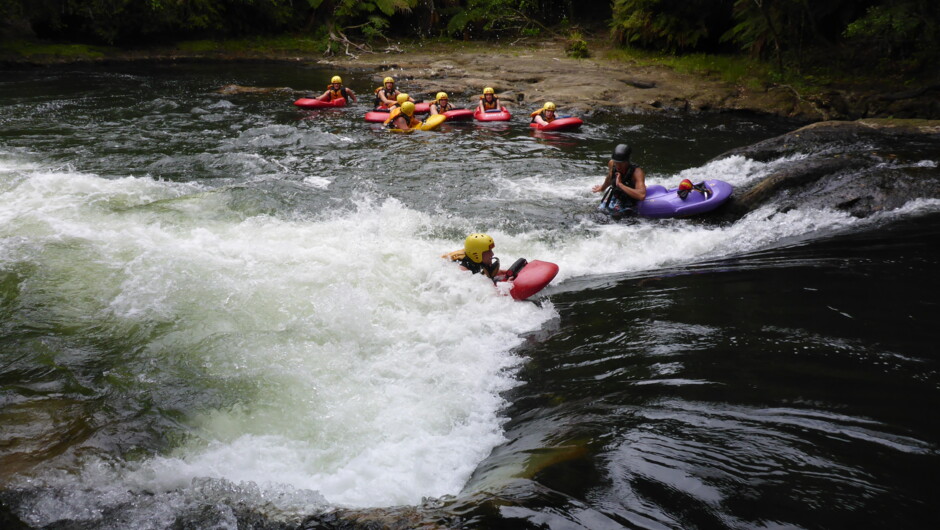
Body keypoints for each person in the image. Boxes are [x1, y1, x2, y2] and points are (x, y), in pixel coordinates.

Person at [593, 144, 647, 214]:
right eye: (616, 163)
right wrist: (602, 188)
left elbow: (641, 195)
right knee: (598, 212)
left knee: (617, 217)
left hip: (630, 201)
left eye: (621, 163)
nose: (618, 166)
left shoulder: (637, 172)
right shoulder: (612, 163)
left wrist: (620, 185)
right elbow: (610, 176)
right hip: (616, 197)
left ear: (627, 161)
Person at [442, 233, 515, 281]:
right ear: (477, 254)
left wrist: (509, 273)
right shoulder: (462, 270)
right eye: (488, 251)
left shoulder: (477, 259)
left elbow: (488, 274)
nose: (492, 254)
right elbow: (476, 288)